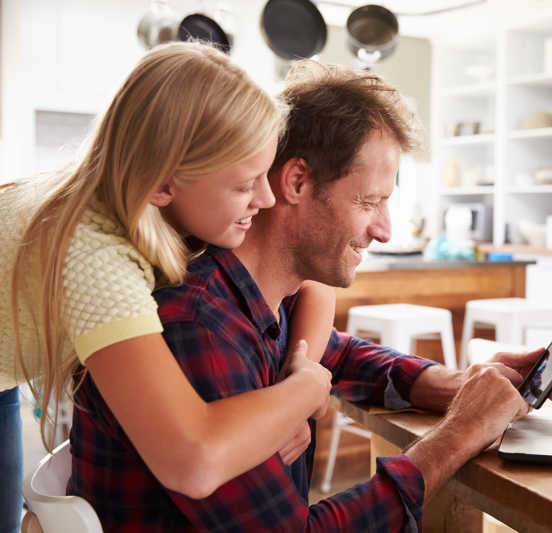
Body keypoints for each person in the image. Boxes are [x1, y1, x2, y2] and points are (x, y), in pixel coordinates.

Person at [68, 60, 552, 531]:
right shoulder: (196, 326)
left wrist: (446, 384)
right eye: (369, 202)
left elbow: (333, 351)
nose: (385, 231)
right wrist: (460, 433)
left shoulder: (262, 298)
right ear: (297, 182)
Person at [0, 43, 336, 532]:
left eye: (266, 175)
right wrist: (306, 391)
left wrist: (292, 380)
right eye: (245, 185)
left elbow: (311, 278)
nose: (265, 198)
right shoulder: (97, 258)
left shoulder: (125, 195)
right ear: (163, 184)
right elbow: (191, 461)